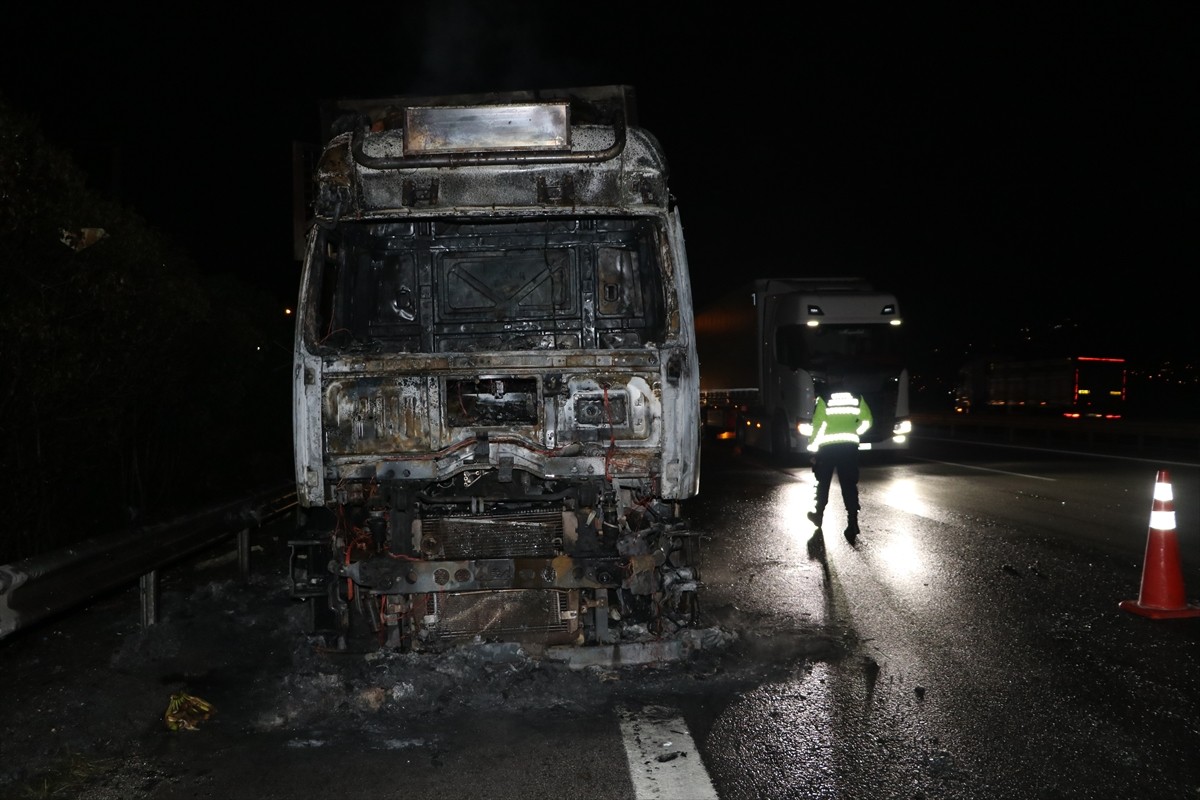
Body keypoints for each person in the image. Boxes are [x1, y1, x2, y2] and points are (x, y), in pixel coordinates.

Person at [806, 388, 873, 542]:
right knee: (849, 484)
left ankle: (818, 515)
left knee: (823, 482)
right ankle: (852, 523)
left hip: (828, 448)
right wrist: (855, 432)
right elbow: (868, 420)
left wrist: (812, 447)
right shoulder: (857, 396)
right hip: (849, 448)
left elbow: (818, 425)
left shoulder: (824, 399)